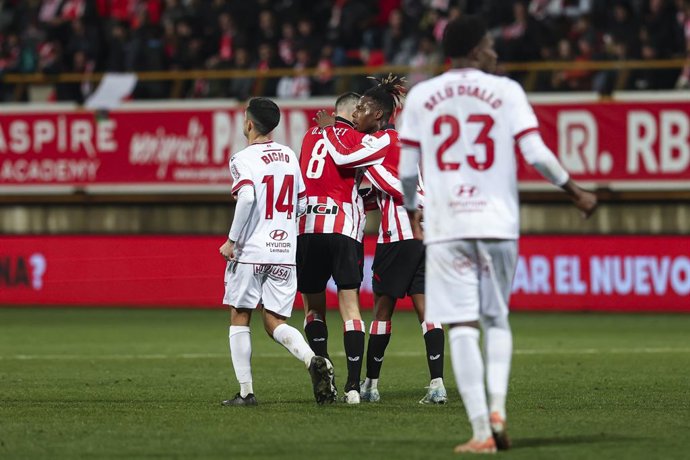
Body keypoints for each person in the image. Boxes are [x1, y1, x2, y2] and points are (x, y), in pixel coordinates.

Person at [398, 16, 598, 454]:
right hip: (497, 223)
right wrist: (574, 190)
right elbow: (534, 152)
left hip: (449, 227)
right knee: (496, 319)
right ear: (474, 48)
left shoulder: (422, 95)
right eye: (490, 44)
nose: (495, 52)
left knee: (463, 326)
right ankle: (498, 408)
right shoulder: (506, 91)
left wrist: (413, 209)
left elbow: (408, 170)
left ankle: (480, 431)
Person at [315, 76, 447, 405]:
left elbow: (345, 159)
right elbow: (389, 189)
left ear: (377, 115)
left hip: (399, 233)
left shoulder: (379, 142)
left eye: (361, 109)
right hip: (425, 230)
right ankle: (437, 385)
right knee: (425, 308)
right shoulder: (401, 143)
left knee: (382, 310)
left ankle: (371, 384)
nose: (355, 114)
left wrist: (331, 128)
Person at [219, 97, 337, 407]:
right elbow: (299, 204)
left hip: (251, 251)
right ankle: (313, 359)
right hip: (284, 250)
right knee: (274, 320)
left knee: (239, 315)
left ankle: (246, 392)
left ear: (248, 124)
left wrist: (232, 240)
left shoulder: (241, 159)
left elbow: (245, 198)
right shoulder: (288, 155)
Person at [298, 92, 387, 404]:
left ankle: (324, 369)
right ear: (352, 113)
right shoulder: (357, 139)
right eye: (360, 108)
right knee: (350, 308)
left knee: (313, 309)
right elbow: (368, 181)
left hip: (306, 228)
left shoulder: (310, 135)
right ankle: (352, 386)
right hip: (343, 229)